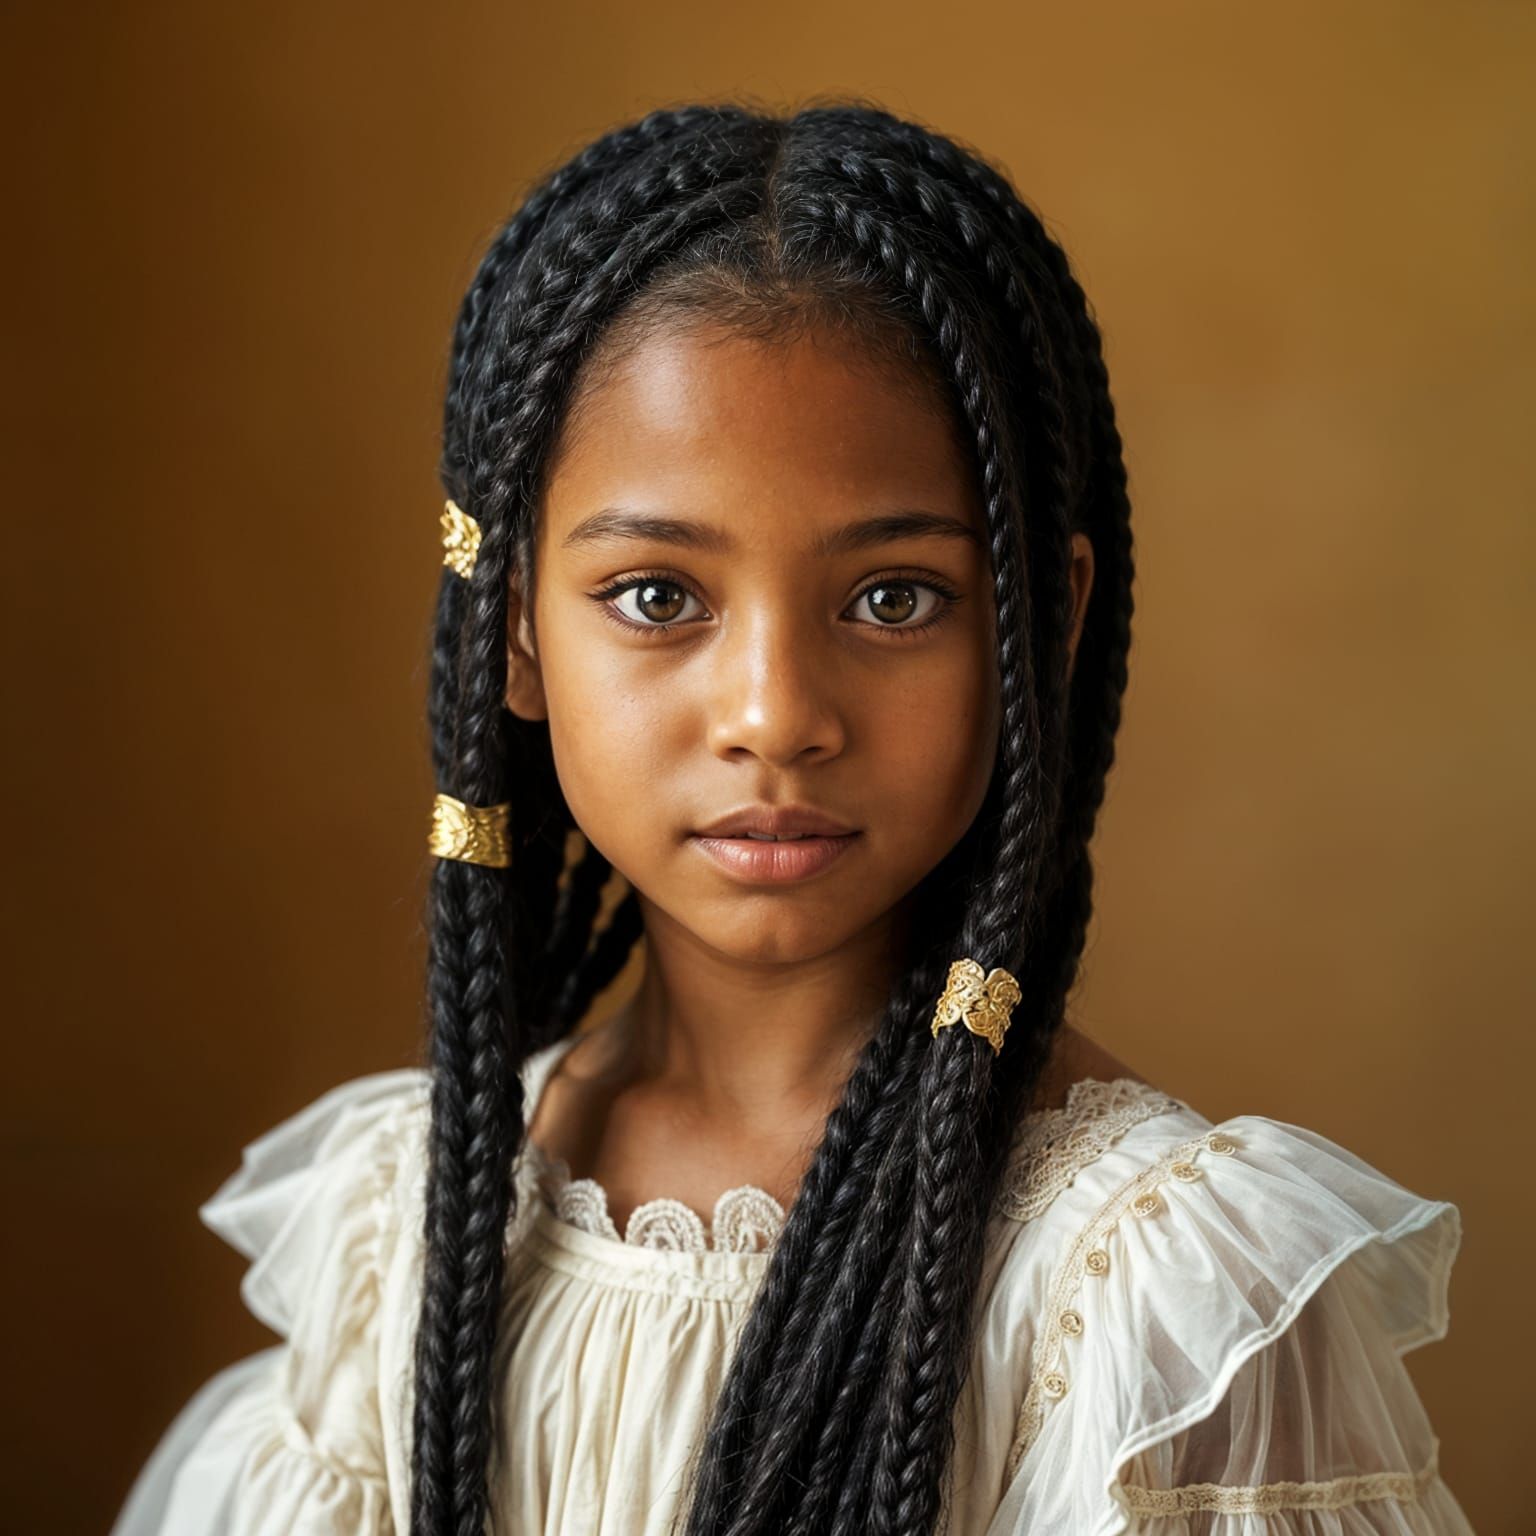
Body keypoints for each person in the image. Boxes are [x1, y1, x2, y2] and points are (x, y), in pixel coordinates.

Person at [109, 100, 1475, 1536]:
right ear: (508, 626)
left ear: (1039, 628)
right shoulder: (407, 1236)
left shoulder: (1149, 1306)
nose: (775, 712)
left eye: (895, 598)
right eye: (657, 596)